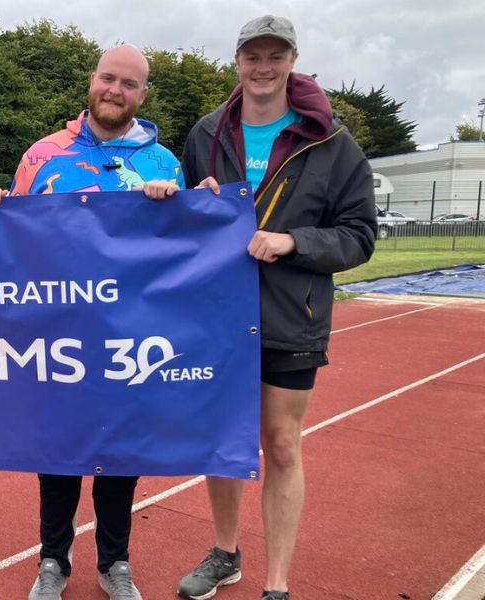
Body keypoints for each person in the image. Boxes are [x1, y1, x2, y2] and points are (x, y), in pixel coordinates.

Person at [0, 45, 185, 600]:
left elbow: (182, 250)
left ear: (143, 94)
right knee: (56, 452)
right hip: (54, 334)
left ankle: (115, 562)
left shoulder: (164, 162)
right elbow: (12, 240)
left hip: (130, 335)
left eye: (130, 84)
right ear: (92, 81)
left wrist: (179, 204)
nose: (116, 90)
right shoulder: (42, 155)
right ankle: (53, 562)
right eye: (109, 78)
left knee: (121, 455)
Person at [174, 15, 375, 600]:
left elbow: (360, 235)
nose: (263, 67)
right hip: (217, 316)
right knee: (222, 437)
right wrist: (182, 203)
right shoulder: (206, 133)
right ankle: (225, 553)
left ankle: (277, 584)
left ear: (292, 60)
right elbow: (185, 226)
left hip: (293, 315)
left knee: (281, 443)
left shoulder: (331, 141)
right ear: (237, 61)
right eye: (252, 56)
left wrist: (294, 242)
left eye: (274, 56)